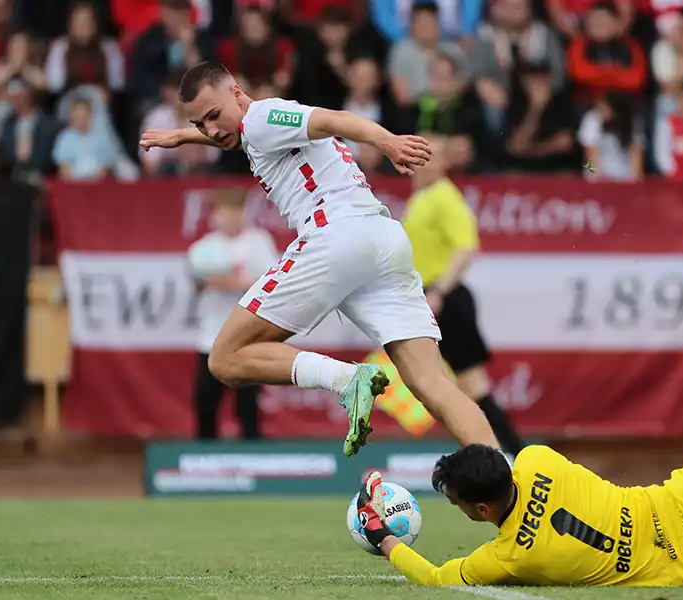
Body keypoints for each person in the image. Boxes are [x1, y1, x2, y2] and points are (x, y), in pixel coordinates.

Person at [140, 61, 498, 457]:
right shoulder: (250, 128)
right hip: (382, 238)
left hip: (336, 235)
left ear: (237, 92)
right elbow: (232, 134)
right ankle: (508, 483)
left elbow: (332, 119)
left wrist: (387, 142)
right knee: (433, 384)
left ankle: (347, 379)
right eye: (201, 123)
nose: (211, 129)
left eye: (213, 116)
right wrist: (183, 135)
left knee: (225, 358)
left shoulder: (262, 116)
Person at [354, 348, 683, 588]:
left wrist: (386, 537)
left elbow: (437, 579)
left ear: (481, 510)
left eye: (458, 503)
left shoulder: (510, 558)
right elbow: (493, 457)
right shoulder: (537, 459)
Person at [400, 133, 526, 459]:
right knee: (433, 382)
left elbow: (466, 248)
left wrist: (440, 290)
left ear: (442, 162)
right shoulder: (422, 197)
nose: (421, 165)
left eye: (429, 158)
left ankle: (511, 455)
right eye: (418, 157)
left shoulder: (444, 197)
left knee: (472, 386)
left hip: (445, 300)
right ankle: (489, 454)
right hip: (425, 297)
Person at [187, 190, 279, 440]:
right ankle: (204, 454)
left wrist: (234, 283)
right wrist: (206, 282)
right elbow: (195, 282)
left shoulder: (258, 242)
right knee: (205, 402)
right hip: (212, 336)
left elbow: (274, 282)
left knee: (247, 404)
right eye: (225, 212)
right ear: (216, 215)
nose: (231, 218)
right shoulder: (205, 248)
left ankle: (251, 457)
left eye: (236, 212)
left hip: (247, 338)